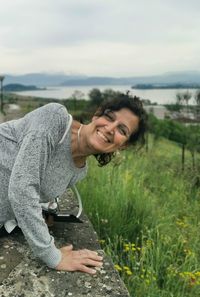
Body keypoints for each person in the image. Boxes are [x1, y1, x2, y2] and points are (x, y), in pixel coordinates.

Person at [0, 93, 147, 274]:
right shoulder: (55, 119)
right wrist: (53, 255)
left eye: (122, 130)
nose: (110, 128)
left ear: (123, 145)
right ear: (96, 115)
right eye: (109, 118)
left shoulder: (79, 171)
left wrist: (41, 214)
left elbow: (32, 192)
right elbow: (22, 189)